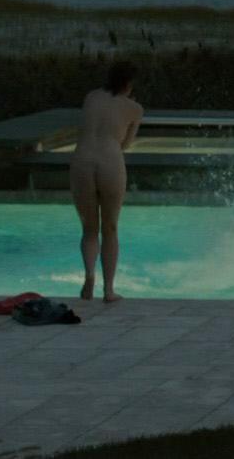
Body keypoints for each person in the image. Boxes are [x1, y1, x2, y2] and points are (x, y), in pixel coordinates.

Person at [70, 62, 144, 302]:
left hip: (82, 160)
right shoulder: (134, 108)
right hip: (110, 162)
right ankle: (109, 290)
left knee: (89, 228)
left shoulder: (91, 97)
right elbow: (125, 144)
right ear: (129, 84)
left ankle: (89, 275)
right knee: (110, 227)